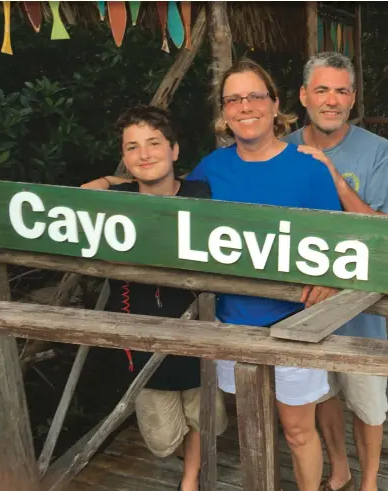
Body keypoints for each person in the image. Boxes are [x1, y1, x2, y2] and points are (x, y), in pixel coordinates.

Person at [82, 58, 343, 491]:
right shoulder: (212, 168)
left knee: (298, 431)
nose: (245, 106)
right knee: (249, 428)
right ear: (224, 112)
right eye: (234, 99)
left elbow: (340, 239)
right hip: (230, 320)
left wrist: (331, 278)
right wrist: (111, 182)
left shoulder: (309, 166)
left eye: (255, 96)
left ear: (276, 105)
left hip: (296, 321)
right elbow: (169, 185)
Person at [100, 105, 228, 491]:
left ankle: (190, 479)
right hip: (139, 340)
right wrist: (105, 182)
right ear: (124, 158)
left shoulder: (201, 194)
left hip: (198, 334)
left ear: (174, 150)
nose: (145, 154)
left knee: (203, 418)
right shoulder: (113, 200)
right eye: (133, 147)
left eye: (154, 143)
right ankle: (183, 462)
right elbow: (70, 201)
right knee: (161, 438)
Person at [284, 51, 388, 491]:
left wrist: (334, 179)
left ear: (352, 98)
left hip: (365, 310)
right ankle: (338, 468)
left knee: (369, 406)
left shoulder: (377, 150)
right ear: (304, 95)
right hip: (304, 304)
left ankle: (367, 483)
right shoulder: (282, 148)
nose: (332, 100)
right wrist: (117, 183)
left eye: (341, 90)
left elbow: (382, 230)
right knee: (321, 395)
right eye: (322, 89)